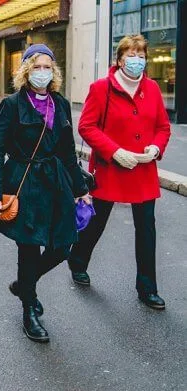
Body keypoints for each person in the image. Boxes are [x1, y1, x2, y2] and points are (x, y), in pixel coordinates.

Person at [0, 44, 89, 343]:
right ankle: (29, 309)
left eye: (47, 66)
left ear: (53, 71)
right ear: (26, 70)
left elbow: (68, 151)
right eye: (36, 66)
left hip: (55, 181)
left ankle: (24, 283)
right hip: (23, 180)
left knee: (63, 246)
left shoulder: (61, 103)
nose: (41, 72)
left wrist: (81, 190)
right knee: (29, 247)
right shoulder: (12, 104)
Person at [68, 35, 171, 309]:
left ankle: (147, 288)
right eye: (131, 54)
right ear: (119, 58)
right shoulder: (101, 88)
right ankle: (77, 260)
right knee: (96, 222)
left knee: (146, 230)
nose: (136, 60)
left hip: (143, 170)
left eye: (141, 54)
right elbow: (86, 127)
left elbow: (163, 127)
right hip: (111, 168)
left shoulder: (153, 89)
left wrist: (156, 148)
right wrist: (114, 151)